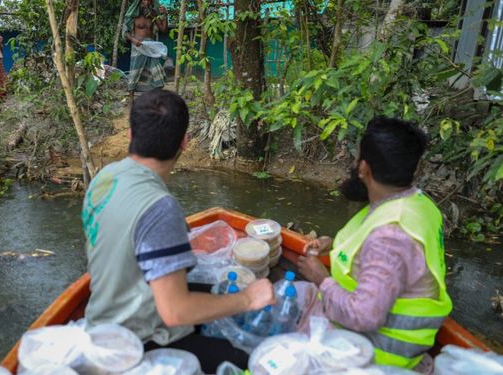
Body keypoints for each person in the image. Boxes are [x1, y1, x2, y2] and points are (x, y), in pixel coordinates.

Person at [81, 89, 275, 373]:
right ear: (184, 142)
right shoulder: (159, 207)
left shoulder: (106, 176)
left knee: (218, 291)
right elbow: (175, 312)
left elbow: (130, 229)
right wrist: (249, 299)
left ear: (130, 135)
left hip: (103, 314)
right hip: (135, 339)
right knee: (249, 359)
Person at [297, 117, 453, 371]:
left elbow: (364, 316)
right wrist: (334, 244)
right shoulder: (418, 203)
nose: (353, 163)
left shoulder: (390, 237)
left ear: (364, 169)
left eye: (355, 158)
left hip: (380, 353)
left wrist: (321, 279)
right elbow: (390, 255)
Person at [123, 0, 168, 104]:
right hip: (137, 45)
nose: (146, 2)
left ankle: (157, 100)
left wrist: (165, 15)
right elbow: (125, 32)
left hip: (151, 46)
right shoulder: (133, 15)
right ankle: (131, 101)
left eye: (149, 1)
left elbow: (164, 29)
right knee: (134, 73)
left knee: (157, 74)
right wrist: (134, 40)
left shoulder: (153, 15)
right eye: (144, 1)